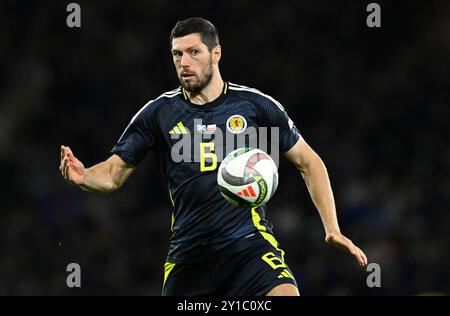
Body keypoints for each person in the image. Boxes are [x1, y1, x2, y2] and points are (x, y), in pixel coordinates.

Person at [59, 17, 367, 296]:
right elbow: (113, 173)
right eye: (177, 54)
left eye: (194, 52)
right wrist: (84, 175)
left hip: (249, 247)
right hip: (190, 258)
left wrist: (332, 228)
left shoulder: (255, 107)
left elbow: (308, 162)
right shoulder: (159, 114)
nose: (184, 62)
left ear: (216, 54)